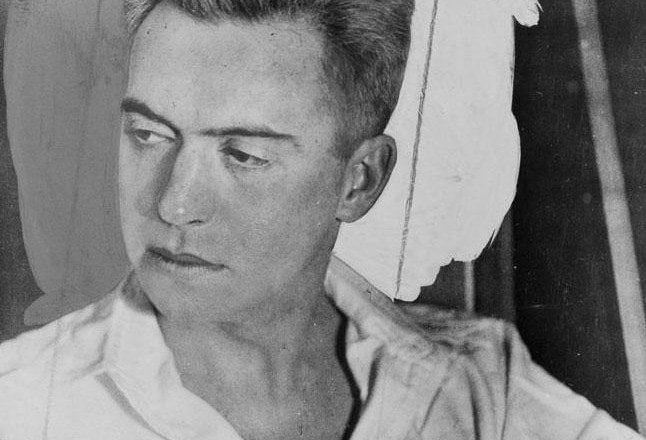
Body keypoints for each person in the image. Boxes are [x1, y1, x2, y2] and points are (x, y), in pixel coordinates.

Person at [0, 0, 642, 439]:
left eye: (244, 155)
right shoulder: (24, 406)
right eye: (147, 134)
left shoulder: (482, 387)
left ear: (360, 181)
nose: (175, 203)